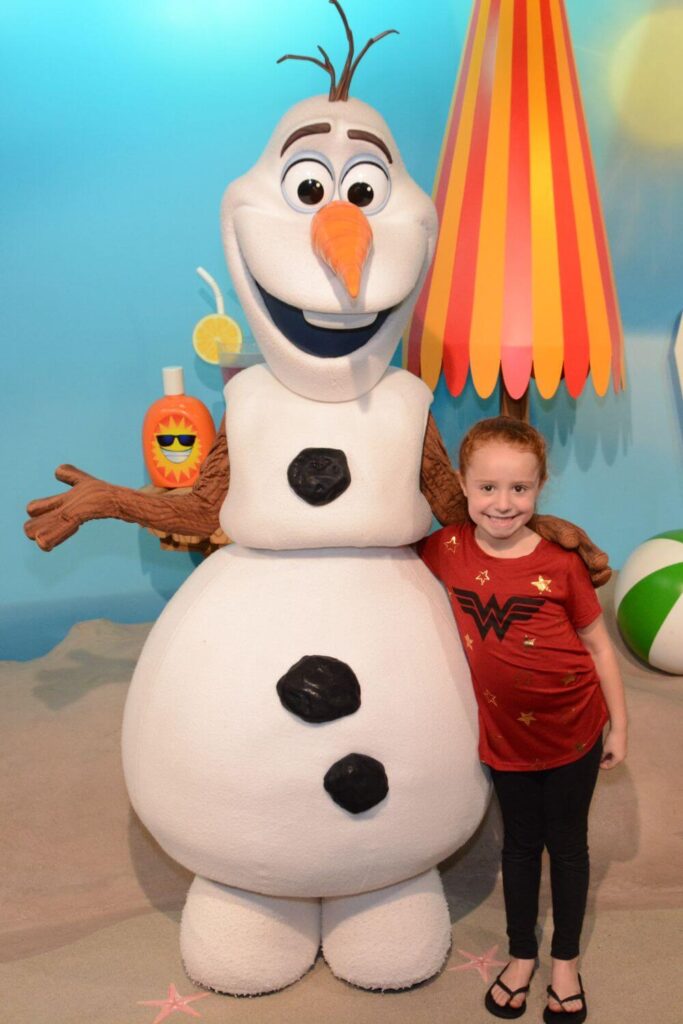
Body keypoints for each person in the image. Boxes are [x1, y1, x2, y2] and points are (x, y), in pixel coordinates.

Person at [418, 416, 627, 1024]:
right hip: (505, 737)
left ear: (540, 487)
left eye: (520, 489)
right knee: (517, 847)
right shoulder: (446, 548)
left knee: (567, 847)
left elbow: (599, 646)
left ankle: (565, 960)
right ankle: (521, 953)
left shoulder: (560, 564)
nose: (503, 504)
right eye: (487, 488)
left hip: (573, 729)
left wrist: (620, 724)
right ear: (462, 483)